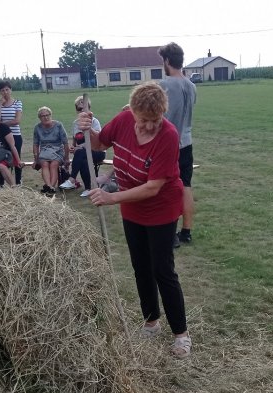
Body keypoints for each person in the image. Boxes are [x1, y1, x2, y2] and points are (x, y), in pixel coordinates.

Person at [78, 82, 192, 358]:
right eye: (144, 120)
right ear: (132, 111)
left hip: (160, 208)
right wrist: (86, 127)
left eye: (156, 120)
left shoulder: (168, 135)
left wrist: (111, 198)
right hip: (133, 208)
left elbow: (153, 187)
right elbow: (99, 143)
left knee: (162, 270)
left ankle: (181, 335)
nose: (150, 126)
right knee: (140, 266)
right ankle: (151, 322)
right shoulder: (125, 119)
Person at [158, 42, 197, 247]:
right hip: (187, 143)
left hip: (170, 143)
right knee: (186, 186)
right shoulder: (192, 85)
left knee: (168, 189)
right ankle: (186, 231)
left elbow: (160, 117)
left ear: (166, 61)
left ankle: (171, 235)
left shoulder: (165, 85)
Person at [66, 96, 106, 197]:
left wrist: (79, 148)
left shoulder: (94, 122)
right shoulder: (75, 123)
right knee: (83, 159)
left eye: (85, 108)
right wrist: (72, 147)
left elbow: (98, 140)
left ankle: (72, 179)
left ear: (89, 109)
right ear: (76, 110)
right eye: (80, 109)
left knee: (80, 153)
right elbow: (75, 139)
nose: (82, 111)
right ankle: (88, 188)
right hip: (83, 153)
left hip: (97, 151)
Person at [32, 106, 69, 195]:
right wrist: (36, 159)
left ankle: (51, 187)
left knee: (54, 164)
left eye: (47, 115)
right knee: (44, 164)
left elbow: (65, 142)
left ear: (51, 115)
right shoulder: (37, 128)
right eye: (43, 116)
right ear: (39, 118)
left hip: (58, 151)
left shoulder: (58, 125)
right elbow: (35, 144)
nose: (46, 117)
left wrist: (66, 158)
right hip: (44, 151)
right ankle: (49, 186)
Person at [0, 80, 24, 186]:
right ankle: (2, 184)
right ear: (0, 92)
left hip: (15, 135)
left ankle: (18, 182)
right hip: (2, 137)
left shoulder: (17, 102)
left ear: (11, 90)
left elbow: (17, 121)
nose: (5, 92)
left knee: (16, 159)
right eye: (2, 90)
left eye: (7, 89)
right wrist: (0, 105)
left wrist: (1, 124)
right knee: (2, 159)